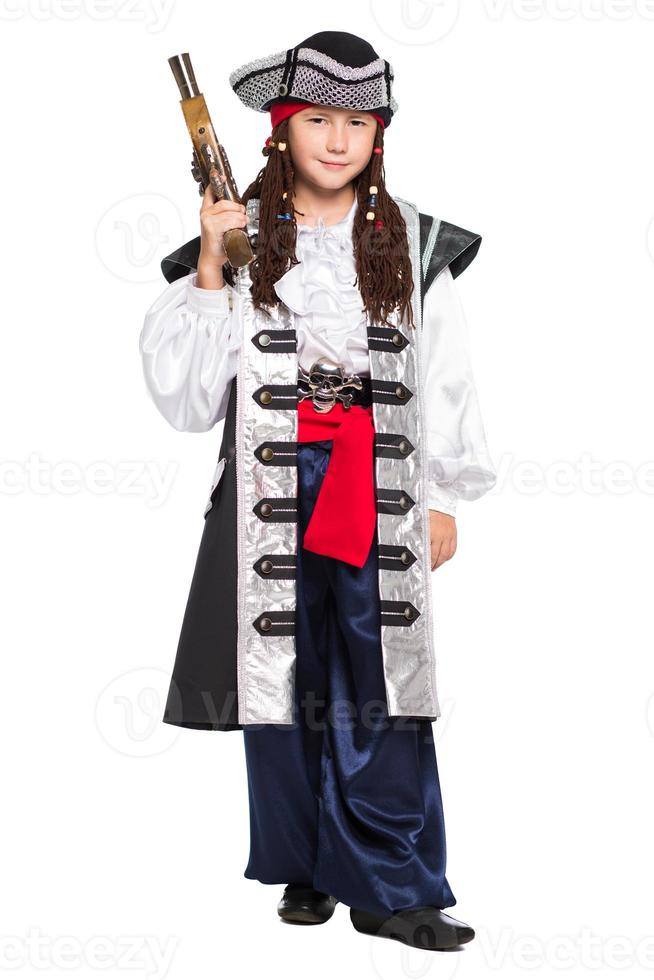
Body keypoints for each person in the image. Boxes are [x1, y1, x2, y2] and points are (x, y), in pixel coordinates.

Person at [139, 30, 497, 952]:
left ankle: (390, 886)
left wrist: (447, 492)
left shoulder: (413, 240)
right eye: (318, 121)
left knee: (380, 681)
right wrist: (215, 265)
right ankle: (307, 864)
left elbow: (447, 370)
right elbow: (185, 402)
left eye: (357, 123)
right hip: (271, 478)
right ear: (281, 130)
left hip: (377, 480)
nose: (337, 141)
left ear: (378, 135)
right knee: (278, 682)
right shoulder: (236, 237)